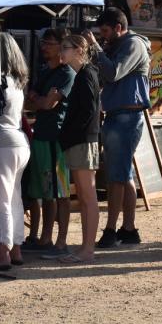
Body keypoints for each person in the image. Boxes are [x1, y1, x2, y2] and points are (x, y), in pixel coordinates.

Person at [90, 7, 150, 247]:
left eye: (105, 31)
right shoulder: (118, 45)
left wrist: (95, 47)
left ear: (118, 27)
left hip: (126, 115)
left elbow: (113, 73)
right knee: (124, 174)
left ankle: (111, 230)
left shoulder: (133, 44)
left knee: (117, 175)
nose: (102, 36)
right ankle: (129, 228)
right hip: (119, 114)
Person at [22, 28, 74, 259]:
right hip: (39, 135)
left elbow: (46, 104)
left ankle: (54, 239)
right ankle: (37, 236)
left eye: (49, 43)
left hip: (56, 137)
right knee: (38, 191)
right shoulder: (44, 71)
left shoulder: (66, 74)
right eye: (43, 42)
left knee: (56, 192)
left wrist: (38, 99)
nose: (44, 47)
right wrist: (38, 99)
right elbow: (31, 100)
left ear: (61, 46)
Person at [57, 34, 101, 264]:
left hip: (83, 141)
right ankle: (86, 248)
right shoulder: (83, 75)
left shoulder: (86, 75)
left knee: (87, 197)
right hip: (80, 140)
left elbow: (88, 112)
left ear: (78, 50)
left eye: (65, 48)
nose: (60, 52)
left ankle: (88, 249)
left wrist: (69, 136)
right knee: (85, 197)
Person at [0, 33, 31, 271]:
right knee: (14, 197)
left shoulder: (0, 82)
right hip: (19, 141)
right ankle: (16, 247)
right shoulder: (17, 82)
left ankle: (2, 250)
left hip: (3, 142)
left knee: (1, 200)